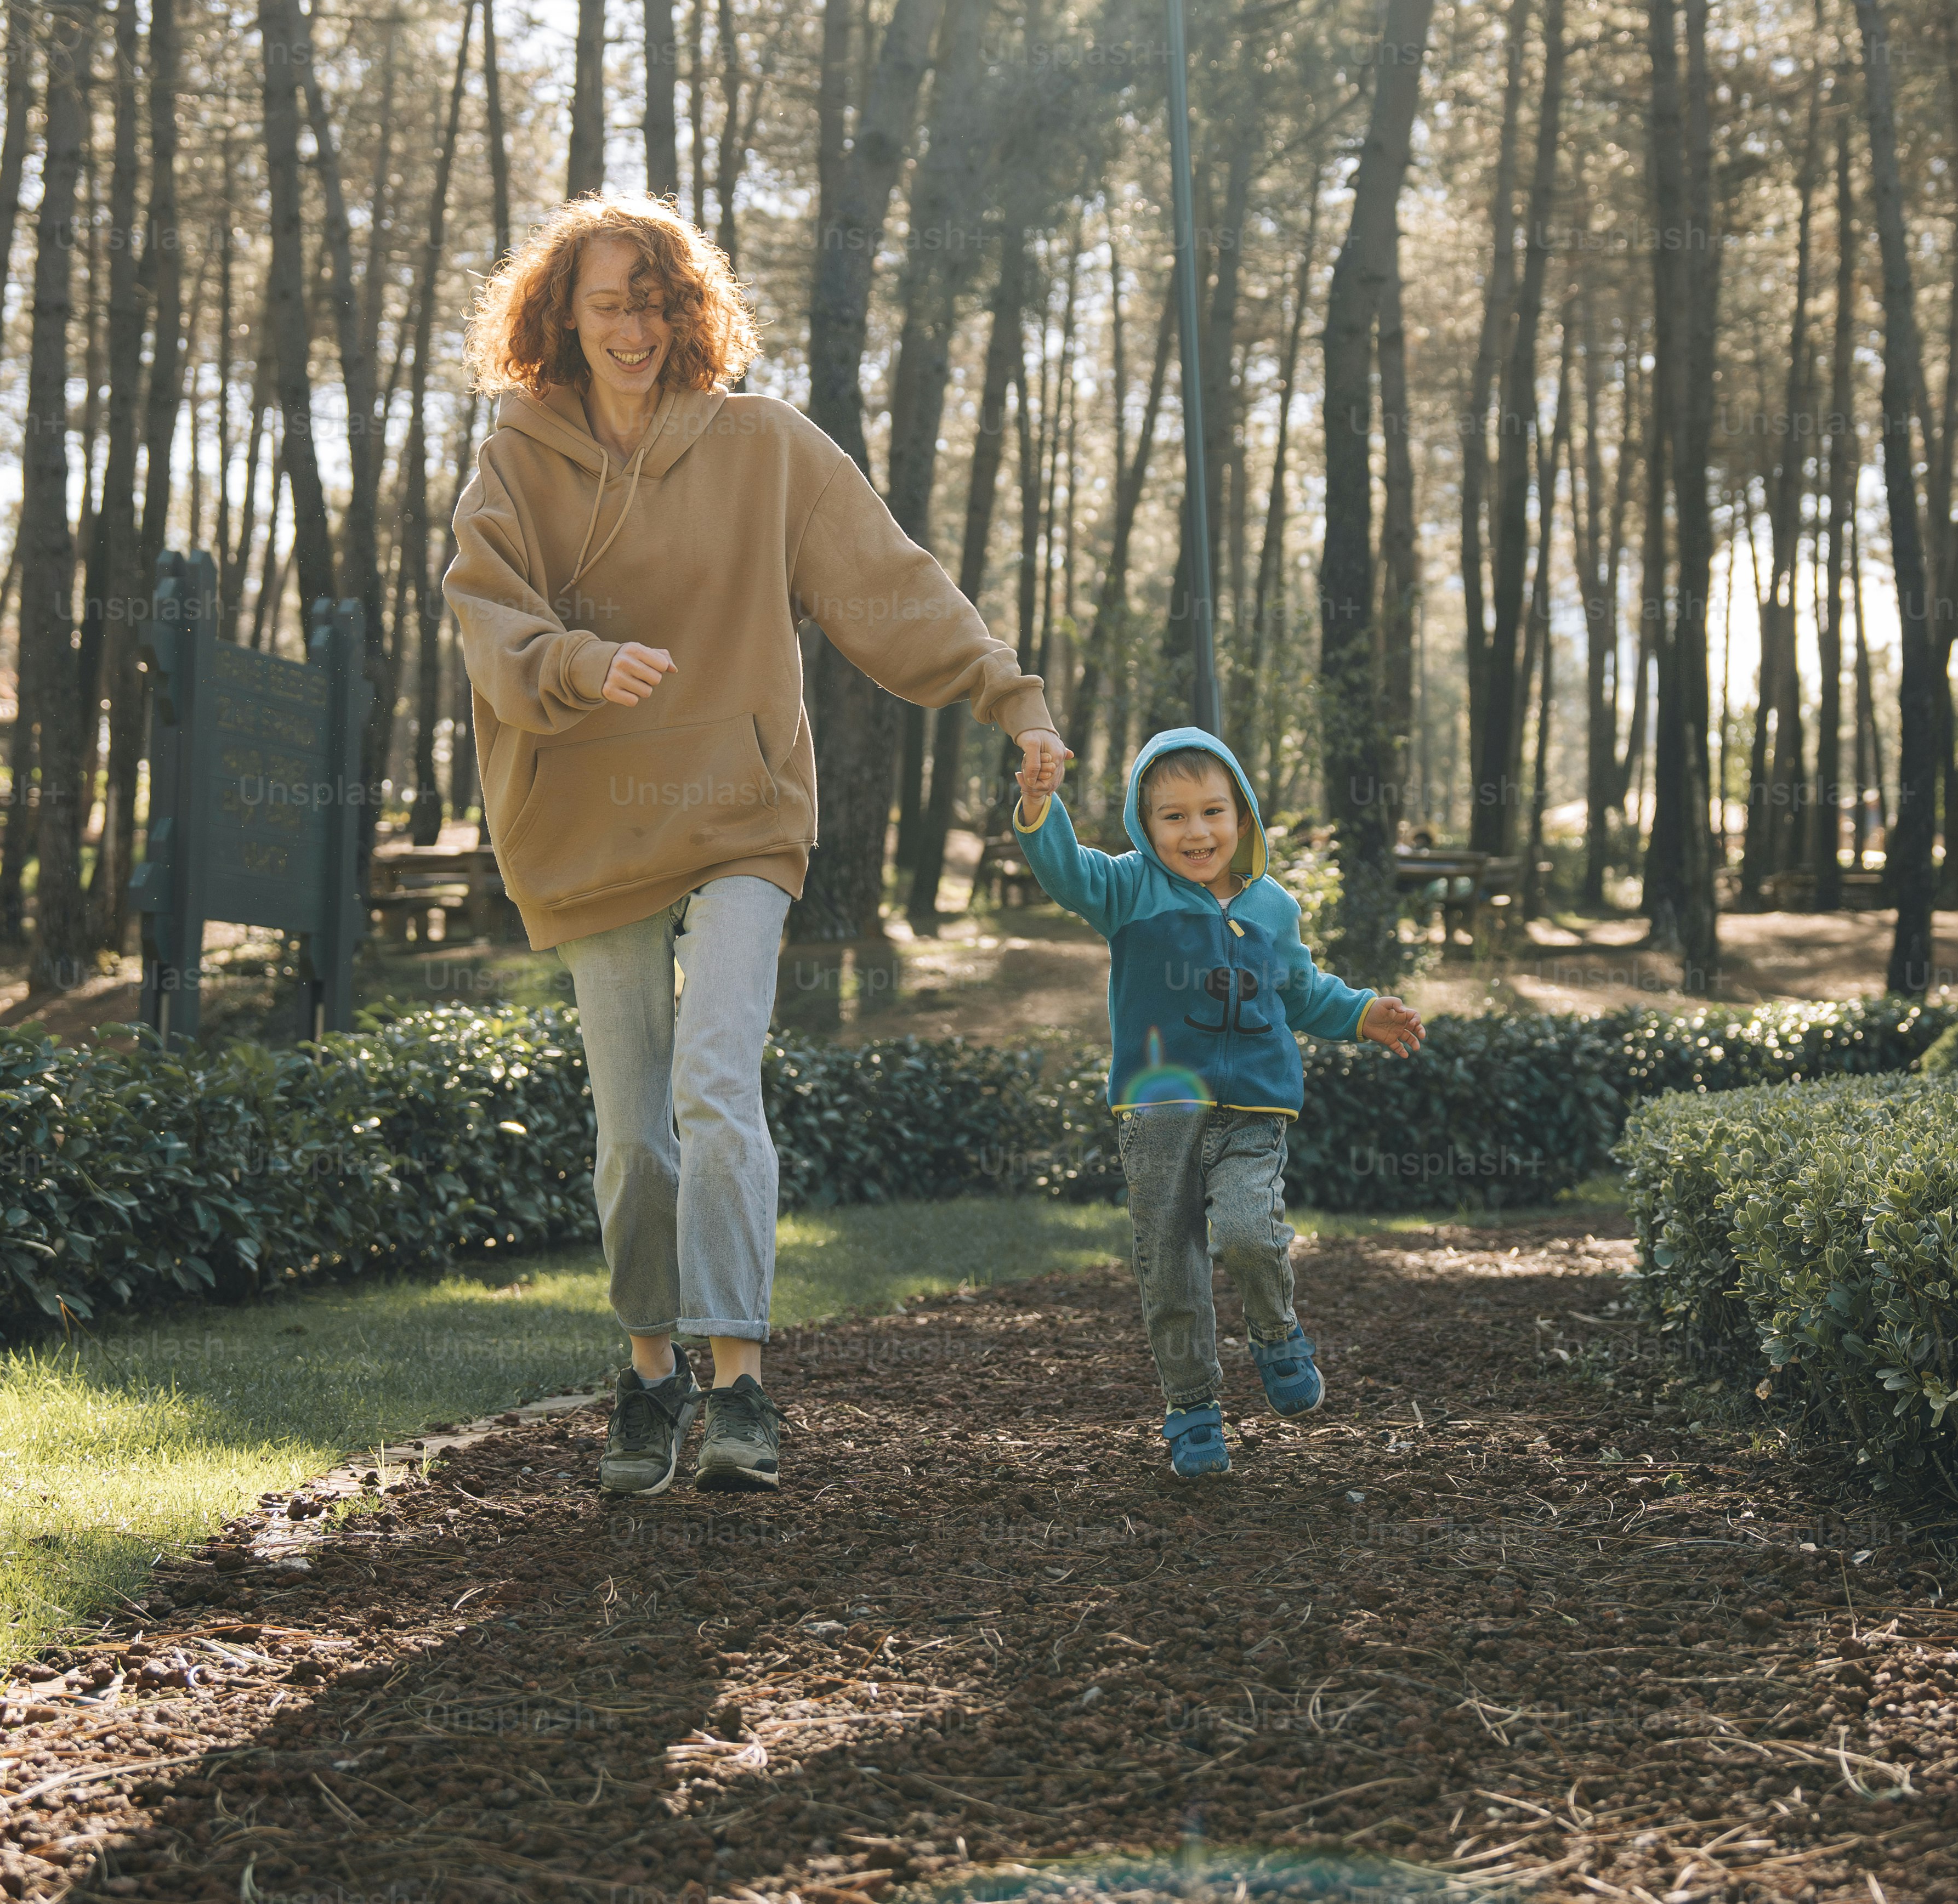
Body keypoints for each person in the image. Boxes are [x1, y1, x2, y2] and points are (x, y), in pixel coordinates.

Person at [445, 194, 1070, 1498]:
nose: (633, 324)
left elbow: (886, 585)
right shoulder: (514, 460)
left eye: (656, 297)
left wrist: (1009, 694)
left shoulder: (766, 447)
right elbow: (488, 618)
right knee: (631, 1129)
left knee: (715, 1079)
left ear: (689, 311)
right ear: (562, 313)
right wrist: (579, 659)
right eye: (608, 300)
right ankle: (648, 1373)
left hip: (740, 809)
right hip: (589, 814)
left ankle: (739, 1385)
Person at [1010, 725, 1424, 1478]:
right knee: (1168, 1266)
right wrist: (1041, 805)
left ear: (1242, 817)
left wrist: (1362, 1013)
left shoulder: (1273, 908)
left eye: (1212, 812)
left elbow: (1301, 992)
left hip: (1253, 1111)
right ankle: (1193, 1405)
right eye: (1172, 816)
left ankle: (1274, 1333)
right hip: (1158, 1119)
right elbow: (1066, 871)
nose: (1195, 832)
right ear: (1144, 822)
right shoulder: (1130, 890)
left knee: (1248, 1234)